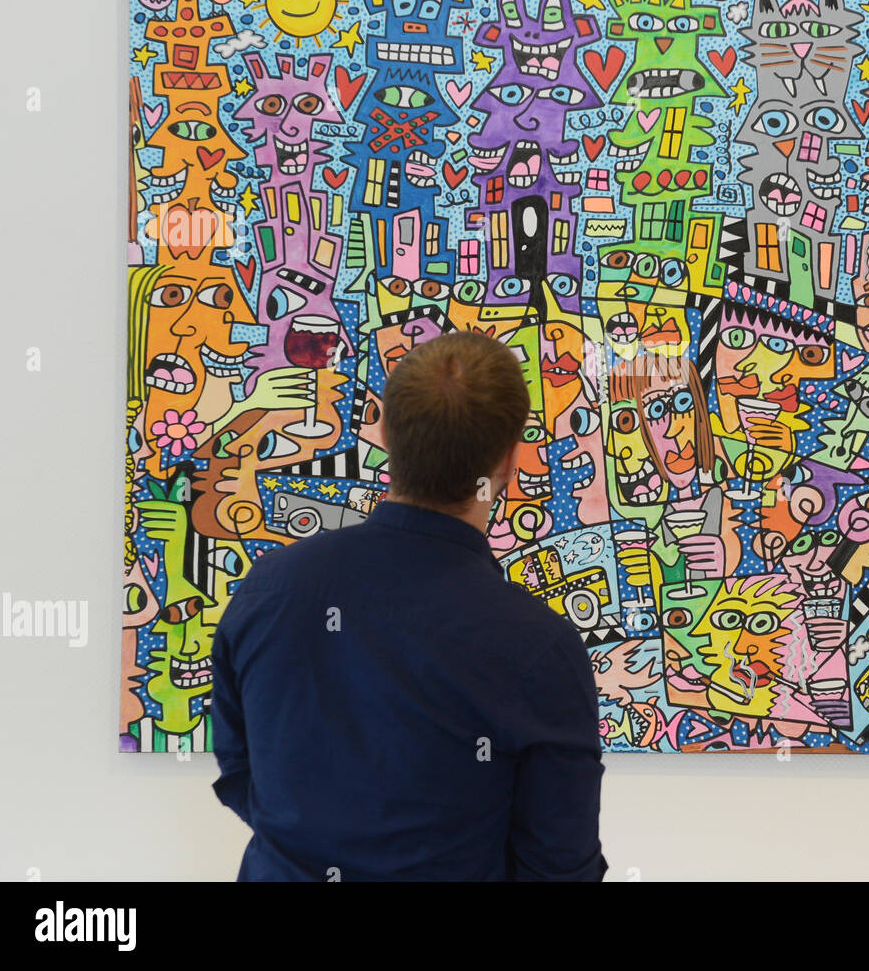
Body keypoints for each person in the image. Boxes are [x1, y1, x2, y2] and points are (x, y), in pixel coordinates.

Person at [210, 330, 607, 880]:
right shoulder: (539, 648)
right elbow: (560, 866)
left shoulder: (269, 590)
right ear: (507, 462)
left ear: (389, 438)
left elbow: (238, 770)